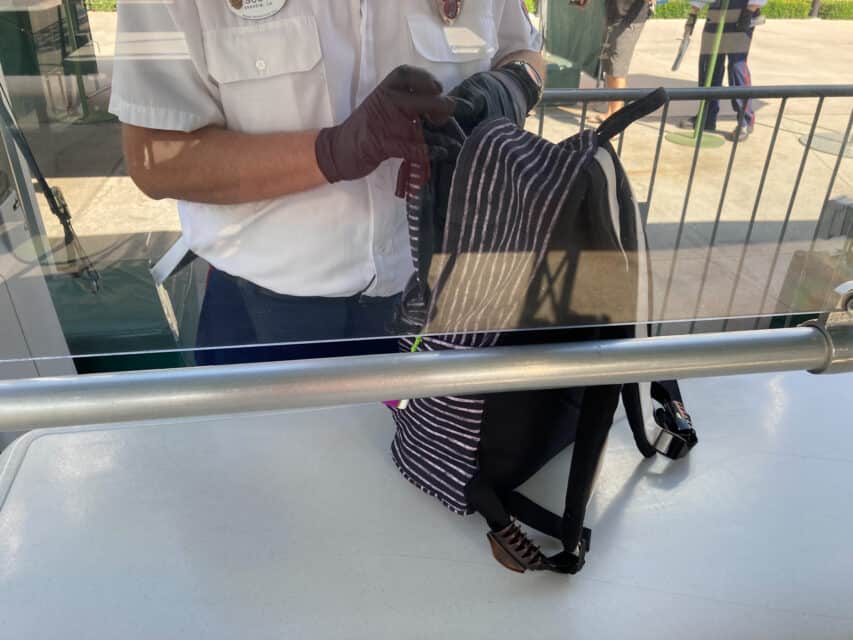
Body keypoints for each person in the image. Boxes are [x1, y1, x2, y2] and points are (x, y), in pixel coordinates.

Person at [108, 0, 544, 364]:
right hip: (264, 319)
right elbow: (155, 159)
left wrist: (508, 88)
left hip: (442, 303)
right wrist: (331, 152)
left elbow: (525, 53)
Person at [678, 0, 766, 141]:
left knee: (737, 67)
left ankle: (745, 120)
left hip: (742, 13)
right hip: (716, 14)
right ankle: (707, 116)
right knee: (708, 66)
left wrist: (751, 8)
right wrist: (694, 10)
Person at [585, 0, 655, 123]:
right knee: (609, 63)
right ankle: (610, 112)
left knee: (617, 66)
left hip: (631, 17)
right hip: (613, 12)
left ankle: (616, 121)